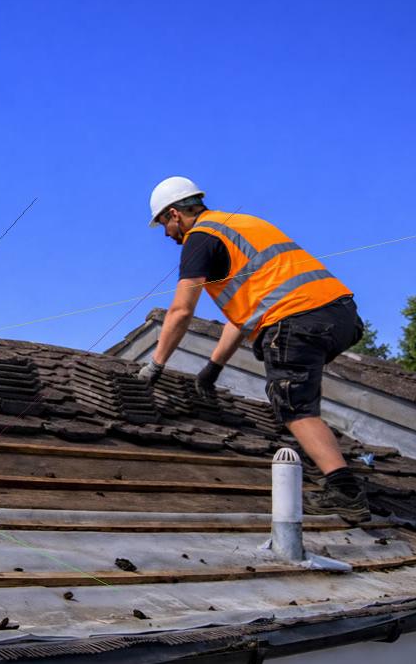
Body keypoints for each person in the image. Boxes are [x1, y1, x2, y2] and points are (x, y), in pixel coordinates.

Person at [137, 177, 370, 523]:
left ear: (175, 214)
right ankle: (331, 457)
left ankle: (344, 491)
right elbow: (246, 315)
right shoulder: (242, 224)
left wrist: (155, 365)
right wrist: (213, 367)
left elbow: (181, 311)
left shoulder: (201, 238)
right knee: (299, 386)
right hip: (340, 316)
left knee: (292, 402)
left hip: (296, 319)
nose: (167, 235)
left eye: (164, 225)